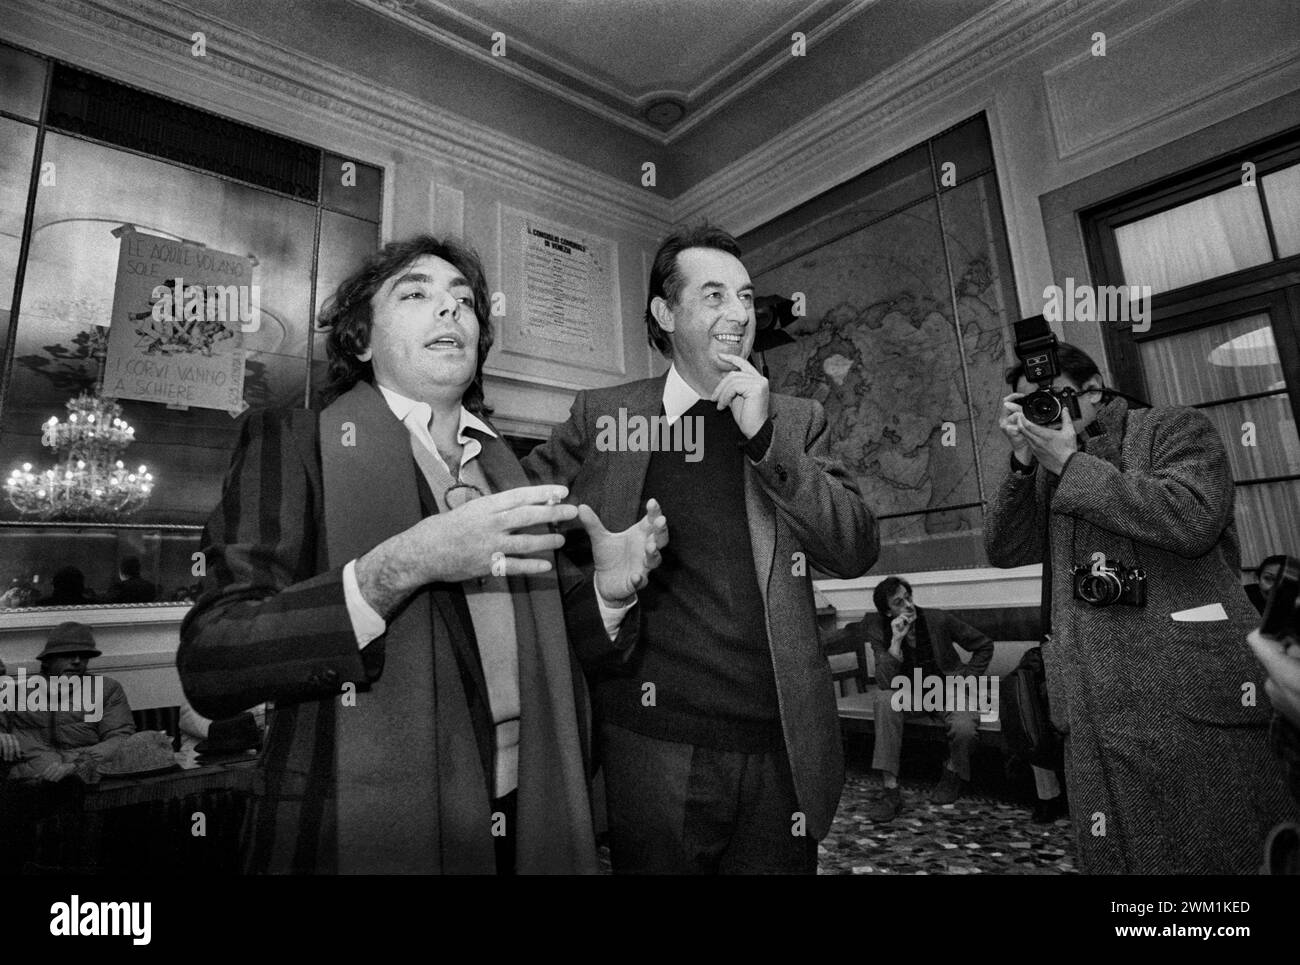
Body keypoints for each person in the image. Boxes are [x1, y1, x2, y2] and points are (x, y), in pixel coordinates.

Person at [178, 235, 665, 875]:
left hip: (525, 814)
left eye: (464, 301)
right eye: (416, 294)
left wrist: (609, 592)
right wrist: (402, 565)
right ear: (361, 340)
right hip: (352, 823)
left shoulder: (509, 472)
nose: (450, 311)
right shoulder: (297, 442)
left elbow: (564, 660)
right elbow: (214, 662)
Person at [522, 224, 878, 874]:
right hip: (651, 743)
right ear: (665, 312)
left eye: (744, 296)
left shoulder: (795, 419)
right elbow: (512, 508)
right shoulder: (605, 416)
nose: (738, 314)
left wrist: (767, 439)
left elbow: (854, 545)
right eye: (714, 295)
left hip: (779, 748)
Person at [985, 340, 1294, 873]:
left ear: (1094, 388)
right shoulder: (1043, 469)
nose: (1044, 415)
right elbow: (1005, 549)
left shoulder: (1174, 428)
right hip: (1092, 708)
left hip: (1186, 696)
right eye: (1028, 406)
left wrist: (1070, 463)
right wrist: (1021, 463)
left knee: (1220, 855)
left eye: (1053, 399)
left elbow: (1191, 519)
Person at [830, 577, 992, 821]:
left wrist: (967, 678)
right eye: (899, 602)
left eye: (909, 597)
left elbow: (984, 645)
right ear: (887, 611)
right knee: (884, 699)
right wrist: (896, 640)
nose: (908, 605)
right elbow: (885, 682)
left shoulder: (938, 619)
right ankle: (891, 790)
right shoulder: (878, 628)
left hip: (946, 689)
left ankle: (952, 771)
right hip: (910, 694)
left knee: (965, 730)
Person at [0, 622, 135, 783]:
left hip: (86, 780)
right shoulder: (16, 693)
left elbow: (121, 738)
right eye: (68, 654)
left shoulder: (107, 689)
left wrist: (78, 766)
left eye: (83, 655)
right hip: (29, 784)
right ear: (47, 660)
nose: (77, 661)